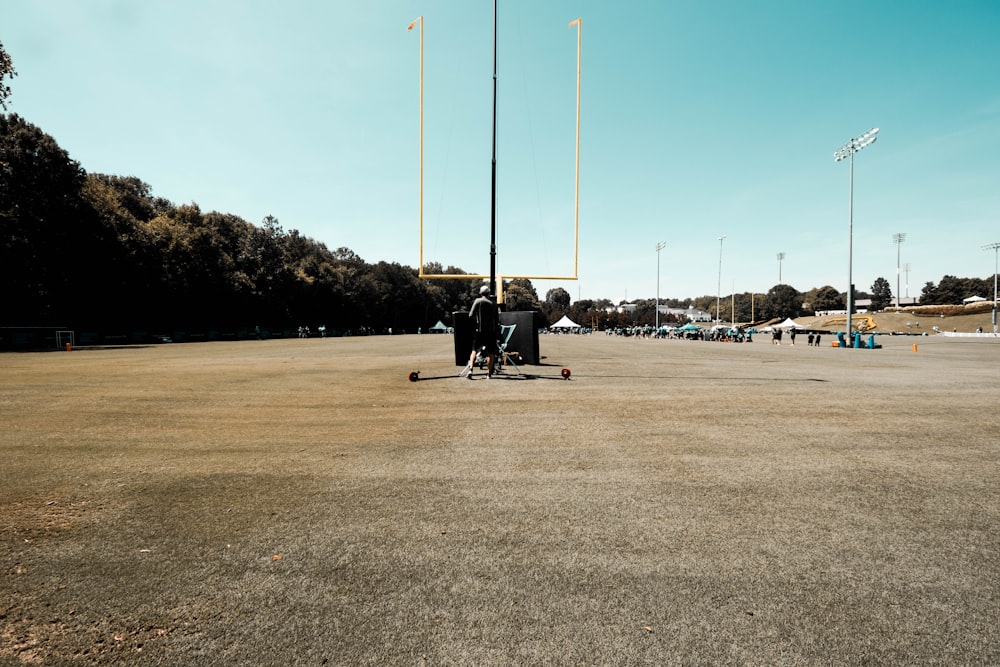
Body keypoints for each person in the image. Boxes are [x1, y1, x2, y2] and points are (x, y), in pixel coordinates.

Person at [468, 285, 499, 378]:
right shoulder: (494, 304)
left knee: (474, 350)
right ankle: (489, 374)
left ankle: (471, 370)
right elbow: (497, 319)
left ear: (481, 293)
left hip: (480, 331)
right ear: (489, 293)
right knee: (491, 353)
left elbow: (470, 315)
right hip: (491, 332)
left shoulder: (477, 301)